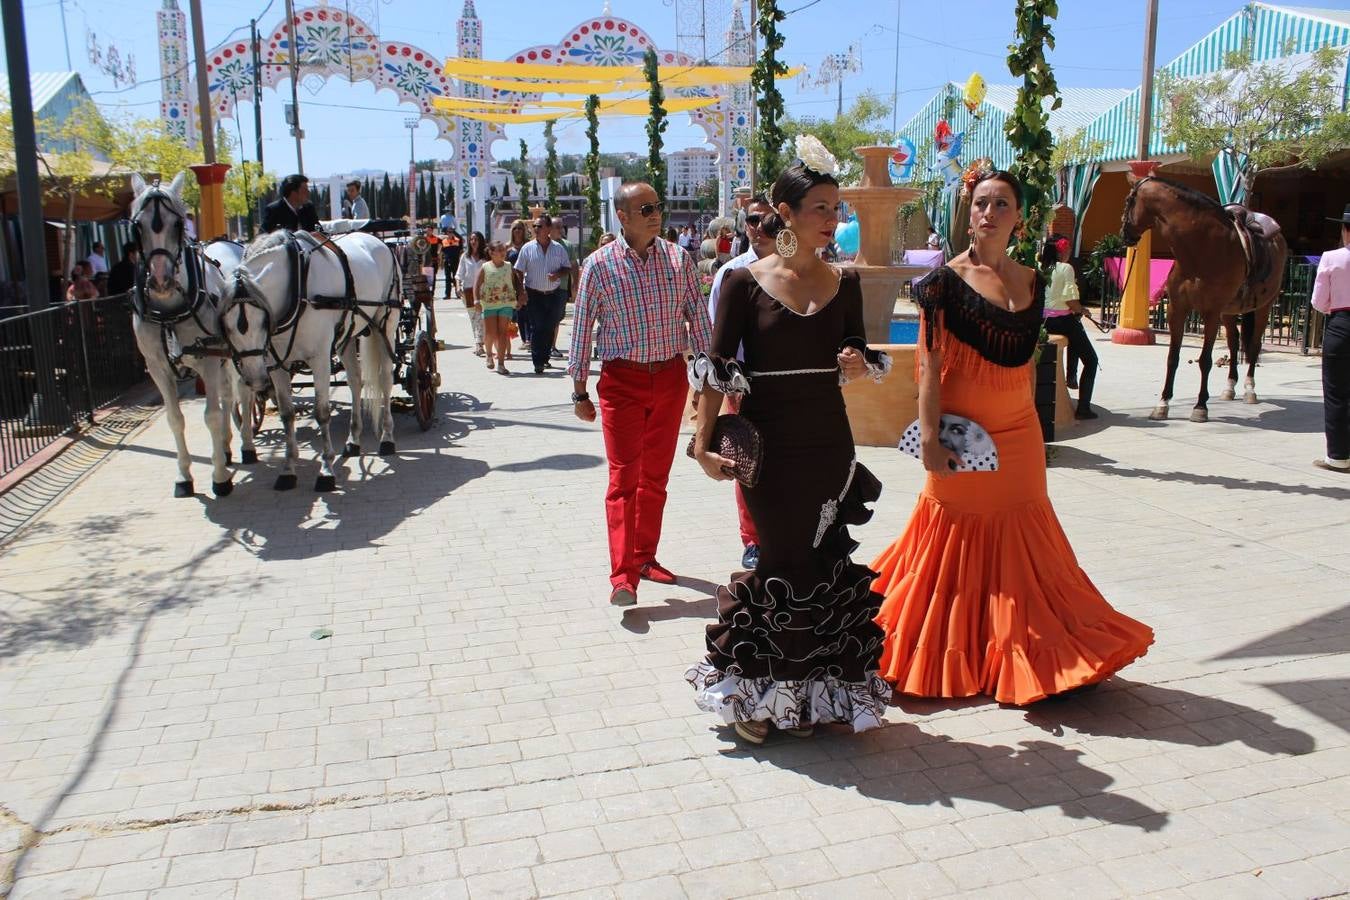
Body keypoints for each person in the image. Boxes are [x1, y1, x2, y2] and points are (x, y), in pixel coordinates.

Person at [869, 168, 1153, 706]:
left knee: (1024, 540)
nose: (990, 213)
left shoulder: (1032, 279)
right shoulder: (940, 283)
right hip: (961, 439)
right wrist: (929, 436)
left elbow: (1027, 362)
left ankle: (1029, 646)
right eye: (981, 203)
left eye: (1002, 204)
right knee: (953, 536)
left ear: (1019, 216)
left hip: (1020, 437)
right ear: (968, 212)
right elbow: (927, 367)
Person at [686, 148, 893, 743]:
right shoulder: (743, 284)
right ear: (785, 213)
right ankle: (754, 694)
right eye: (819, 208)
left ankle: (807, 696)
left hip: (830, 446)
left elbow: (862, 354)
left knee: (821, 563)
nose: (831, 218)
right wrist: (701, 446)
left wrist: (857, 361)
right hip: (769, 449)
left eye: (836, 207)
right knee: (779, 562)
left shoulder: (845, 281)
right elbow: (716, 369)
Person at [569, 182, 711, 608]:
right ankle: (622, 576)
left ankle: (646, 558)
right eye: (644, 208)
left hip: (669, 378)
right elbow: (582, 331)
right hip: (621, 384)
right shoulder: (598, 266)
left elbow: (699, 322)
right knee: (623, 479)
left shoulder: (678, 259)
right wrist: (579, 390)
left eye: (657, 206)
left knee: (655, 478)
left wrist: (708, 379)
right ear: (623, 217)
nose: (655, 214)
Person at [705, 194, 774, 571]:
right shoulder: (731, 274)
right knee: (745, 459)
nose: (760, 228)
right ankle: (752, 540)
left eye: (768, 220)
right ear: (743, 224)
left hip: (785, 381)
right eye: (752, 220)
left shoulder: (798, 269)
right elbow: (717, 334)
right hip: (742, 382)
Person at [1041, 235, 1099, 419]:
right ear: (1060, 249)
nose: (1068, 252)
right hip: (1062, 321)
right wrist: (1083, 310)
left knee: (1075, 329)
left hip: (1043, 321)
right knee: (1091, 360)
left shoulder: (1040, 267)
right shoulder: (1066, 268)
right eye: (1066, 249)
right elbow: (1070, 301)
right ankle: (1083, 408)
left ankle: (1071, 376)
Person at [1312, 203, 1350, 473]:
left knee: (1336, 393)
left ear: (1345, 230)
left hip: (1341, 324)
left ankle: (1338, 456)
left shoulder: (1331, 257)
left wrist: (1333, 309)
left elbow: (1318, 301)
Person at [514, 215, 572, 375]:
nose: (536, 229)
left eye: (539, 226)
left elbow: (567, 267)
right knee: (537, 327)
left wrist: (558, 274)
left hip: (554, 294)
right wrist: (521, 291)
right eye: (534, 226)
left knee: (549, 327)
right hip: (534, 294)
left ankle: (545, 357)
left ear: (548, 229)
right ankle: (537, 361)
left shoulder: (558, 248)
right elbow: (518, 270)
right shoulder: (527, 248)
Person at [475, 240, 521, 374]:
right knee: (491, 333)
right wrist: (477, 300)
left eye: (503, 250)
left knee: (502, 333)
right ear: (491, 253)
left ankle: (501, 363)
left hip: (506, 303)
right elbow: (477, 285)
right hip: (489, 303)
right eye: (499, 250)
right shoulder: (485, 267)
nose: (502, 253)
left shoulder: (509, 266)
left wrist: (521, 295)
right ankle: (489, 354)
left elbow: (516, 281)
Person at [550, 220, 579, 361]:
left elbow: (574, 265)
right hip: (541, 288)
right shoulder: (543, 244)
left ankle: (551, 346)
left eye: (561, 227)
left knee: (556, 318)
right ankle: (545, 345)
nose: (560, 229)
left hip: (561, 287)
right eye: (557, 226)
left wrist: (575, 283)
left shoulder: (567, 246)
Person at [457, 231, 489, 358]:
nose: (474, 242)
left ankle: (481, 343)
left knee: (482, 317)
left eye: (476, 239)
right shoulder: (465, 256)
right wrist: (458, 286)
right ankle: (479, 344)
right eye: (471, 239)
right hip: (468, 291)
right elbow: (459, 273)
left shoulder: (486, 256)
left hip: (484, 291)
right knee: (474, 318)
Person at [507, 220, 531, 349]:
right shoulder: (507, 249)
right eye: (515, 228)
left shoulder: (529, 246)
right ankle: (525, 339)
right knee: (519, 312)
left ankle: (530, 338)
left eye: (520, 228)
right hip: (513, 283)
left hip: (528, 281)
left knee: (530, 312)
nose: (517, 231)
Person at [442, 229, 463, 300]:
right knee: (447, 278)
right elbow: (442, 252)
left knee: (456, 278)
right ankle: (447, 294)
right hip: (447, 261)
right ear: (447, 233)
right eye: (448, 232)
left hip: (455, 261)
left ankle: (458, 293)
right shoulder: (444, 241)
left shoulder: (457, 240)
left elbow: (460, 250)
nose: (450, 234)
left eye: (451, 232)